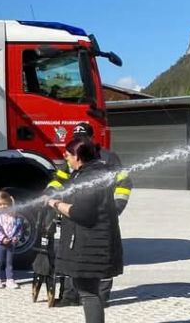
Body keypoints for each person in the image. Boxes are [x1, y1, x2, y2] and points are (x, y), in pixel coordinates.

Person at [47, 137, 124, 323]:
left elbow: (83, 213)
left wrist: (55, 204)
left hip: (91, 245)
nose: (66, 158)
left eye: (68, 154)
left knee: (88, 292)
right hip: (92, 243)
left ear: (78, 157)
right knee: (91, 291)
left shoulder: (91, 177)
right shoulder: (89, 173)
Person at [50, 121, 134, 309]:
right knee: (72, 255)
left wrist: (116, 207)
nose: (80, 141)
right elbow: (59, 180)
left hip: (99, 217)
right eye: (77, 138)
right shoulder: (72, 155)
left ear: (91, 137)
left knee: (100, 255)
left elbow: (124, 182)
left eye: (83, 137)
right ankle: (70, 296)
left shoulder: (108, 158)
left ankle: (100, 298)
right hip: (73, 215)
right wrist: (50, 193)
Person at [0, 189, 23, 290]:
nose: (3, 206)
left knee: (9, 262)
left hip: (11, 243)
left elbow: (19, 228)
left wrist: (16, 237)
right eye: (0, 204)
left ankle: (10, 279)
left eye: (5, 204)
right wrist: (2, 238)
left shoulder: (14, 216)